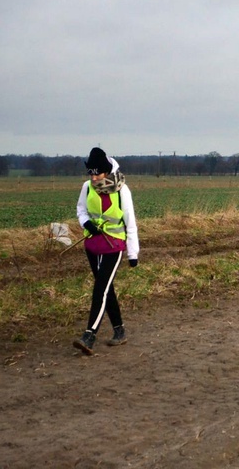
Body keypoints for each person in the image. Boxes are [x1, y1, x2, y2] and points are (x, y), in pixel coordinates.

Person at [73, 147, 139, 355]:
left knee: (100, 289)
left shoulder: (122, 190)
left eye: (97, 173)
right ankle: (119, 331)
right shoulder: (86, 187)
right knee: (106, 289)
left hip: (115, 246)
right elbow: (81, 209)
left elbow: (131, 223)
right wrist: (86, 223)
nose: (93, 177)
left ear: (106, 171)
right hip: (92, 246)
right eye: (90, 173)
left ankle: (89, 335)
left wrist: (133, 253)